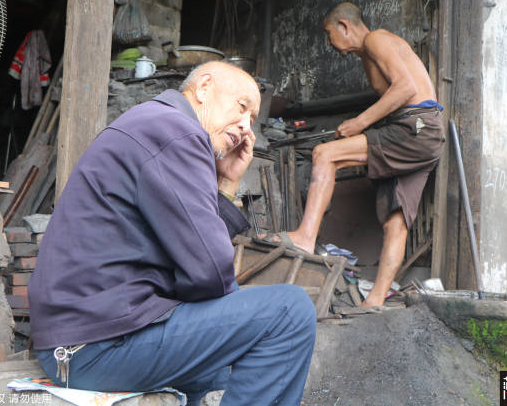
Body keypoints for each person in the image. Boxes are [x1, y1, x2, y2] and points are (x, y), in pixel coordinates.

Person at [28, 61, 317, 406]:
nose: (244, 126)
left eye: (252, 120)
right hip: (94, 346)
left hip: (89, 339)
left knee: (222, 370)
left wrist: (225, 183)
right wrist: (228, 304)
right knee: (290, 312)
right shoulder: (175, 130)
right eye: (242, 108)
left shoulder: (156, 124)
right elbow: (210, 267)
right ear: (204, 87)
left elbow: (198, 253)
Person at [260, 2, 445, 307]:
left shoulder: (376, 39)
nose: (330, 43)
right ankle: (374, 301)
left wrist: (360, 123)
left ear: (344, 26)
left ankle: (306, 237)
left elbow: (405, 88)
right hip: (426, 135)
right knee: (396, 221)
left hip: (415, 126)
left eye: (328, 34)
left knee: (324, 153)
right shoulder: (369, 53)